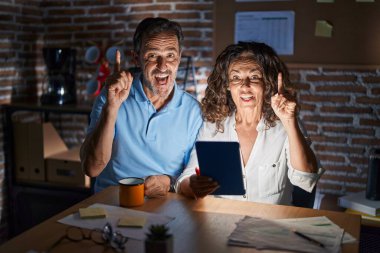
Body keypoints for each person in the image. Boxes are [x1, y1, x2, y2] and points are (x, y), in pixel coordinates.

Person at [175, 41, 324, 205]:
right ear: (227, 85)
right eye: (236, 78)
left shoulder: (285, 124)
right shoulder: (213, 126)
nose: (245, 87)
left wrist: (289, 121)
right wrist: (192, 185)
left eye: (254, 77)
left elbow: (306, 177)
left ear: (267, 83)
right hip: (220, 223)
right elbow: (187, 177)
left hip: (269, 226)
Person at [80, 17, 203, 197]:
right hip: (114, 203)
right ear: (136, 58)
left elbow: (195, 174)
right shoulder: (110, 97)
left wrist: (169, 181)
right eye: (152, 56)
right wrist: (112, 107)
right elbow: (92, 168)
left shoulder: (193, 111)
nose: (163, 66)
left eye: (170, 55)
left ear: (179, 58)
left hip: (167, 205)